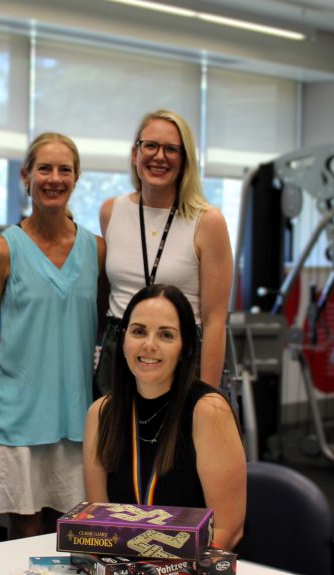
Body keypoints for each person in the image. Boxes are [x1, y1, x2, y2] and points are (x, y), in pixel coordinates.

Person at [0, 133, 107, 540]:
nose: (54, 178)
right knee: (26, 533)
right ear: (26, 176)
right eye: (44, 168)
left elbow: (97, 327)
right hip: (17, 419)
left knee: (73, 534)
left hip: (74, 417)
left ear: (76, 178)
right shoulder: (2, 251)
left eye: (65, 169)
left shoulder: (96, 251)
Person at [83, 284, 245, 550]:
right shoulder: (101, 414)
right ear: (123, 340)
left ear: (185, 348)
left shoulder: (208, 411)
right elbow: (101, 527)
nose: (149, 345)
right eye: (138, 331)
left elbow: (228, 530)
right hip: (125, 573)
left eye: (166, 335)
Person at [96, 109, 233, 395]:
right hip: (119, 351)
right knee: (114, 439)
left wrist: (208, 398)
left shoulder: (207, 221)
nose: (159, 157)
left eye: (171, 149)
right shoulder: (112, 211)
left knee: (173, 440)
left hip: (179, 352)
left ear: (184, 161)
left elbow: (215, 321)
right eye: (150, 146)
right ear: (135, 154)